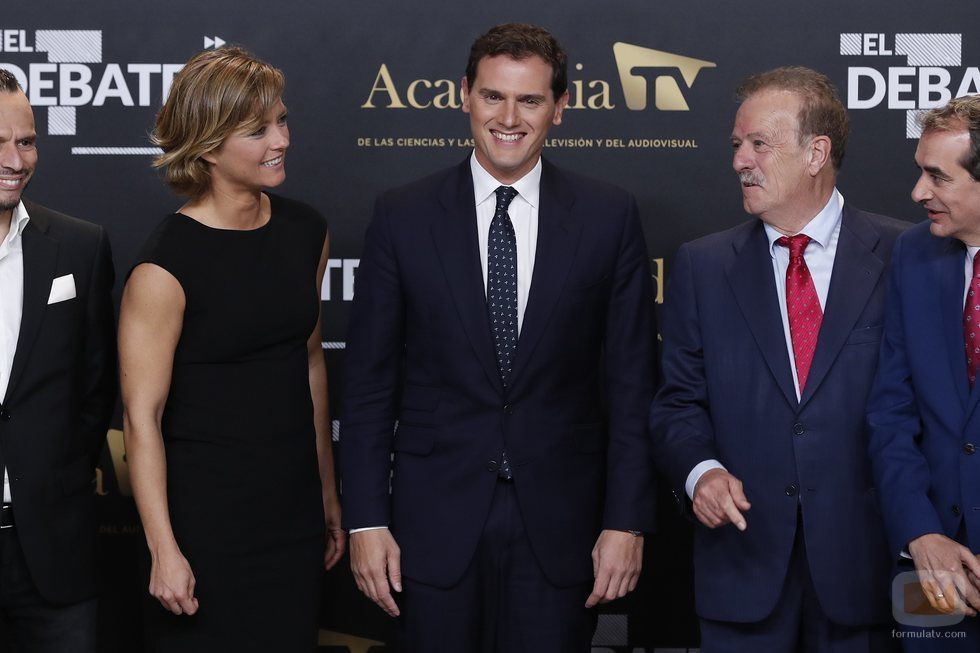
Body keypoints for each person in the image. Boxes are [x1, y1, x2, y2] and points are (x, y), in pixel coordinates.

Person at [340, 22, 656, 652]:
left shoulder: (609, 216)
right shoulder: (402, 215)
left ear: (560, 107)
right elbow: (370, 384)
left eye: (530, 100)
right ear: (465, 94)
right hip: (431, 526)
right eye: (493, 96)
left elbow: (631, 386)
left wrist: (626, 521)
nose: (509, 118)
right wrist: (365, 520)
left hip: (562, 527)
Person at [649, 66, 906, 652]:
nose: (740, 160)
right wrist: (700, 472)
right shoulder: (702, 266)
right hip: (743, 566)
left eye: (759, 143)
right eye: (737, 144)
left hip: (866, 571)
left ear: (816, 153)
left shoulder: (904, 255)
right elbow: (677, 403)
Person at [118, 47, 345, 652]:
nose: (282, 140)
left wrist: (327, 492)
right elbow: (142, 418)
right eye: (258, 130)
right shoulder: (164, 266)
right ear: (208, 146)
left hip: (292, 517)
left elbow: (310, 362)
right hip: (203, 532)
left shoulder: (307, 232)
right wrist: (164, 549)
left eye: (282, 120)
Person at [0, 69, 116, 652]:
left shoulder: (79, 246)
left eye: (26, 142)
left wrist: (61, 474)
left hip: (53, 550)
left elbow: (97, 386)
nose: (15, 160)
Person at [867, 94, 980, 649]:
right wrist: (921, 532)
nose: (917, 193)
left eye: (937, 176)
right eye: (920, 171)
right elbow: (891, 412)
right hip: (930, 567)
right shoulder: (913, 253)